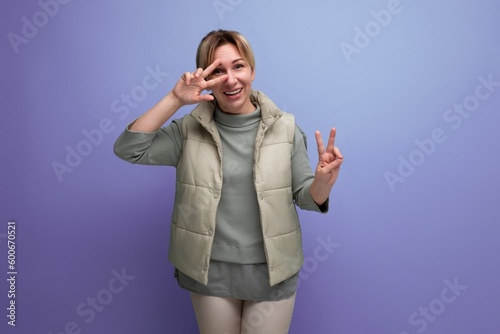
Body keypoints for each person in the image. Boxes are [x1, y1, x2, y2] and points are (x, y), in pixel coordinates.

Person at [114, 29, 343, 334]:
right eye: (218, 71)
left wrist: (323, 182)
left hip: (272, 270)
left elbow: (305, 196)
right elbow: (130, 149)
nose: (231, 79)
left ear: (252, 70)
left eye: (238, 66)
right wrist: (174, 99)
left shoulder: (285, 128)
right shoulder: (189, 130)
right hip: (210, 271)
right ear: (205, 78)